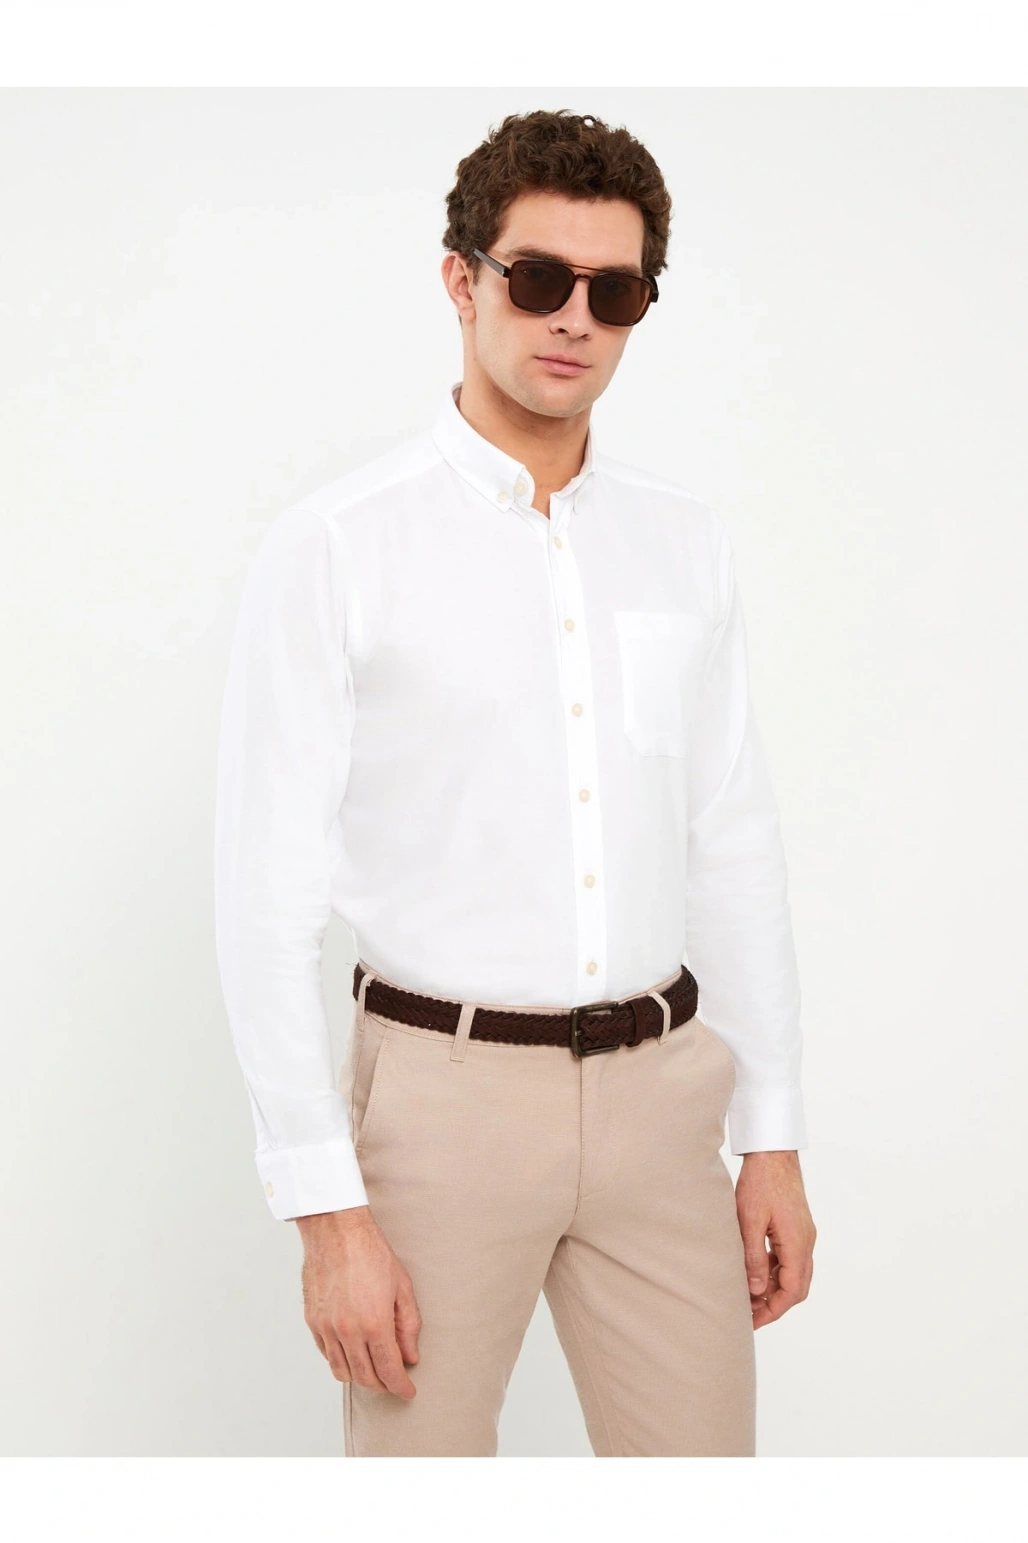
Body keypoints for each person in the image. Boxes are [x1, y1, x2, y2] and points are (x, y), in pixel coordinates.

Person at [214, 107, 816, 1458]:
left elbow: (732, 840)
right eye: (539, 278)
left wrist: (771, 1133)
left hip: (664, 1099)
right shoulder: (339, 547)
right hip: (441, 1102)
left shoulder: (685, 543)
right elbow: (264, 897)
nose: (574, 320)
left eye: (616, 293)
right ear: (462, 278)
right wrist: (327, 1212)